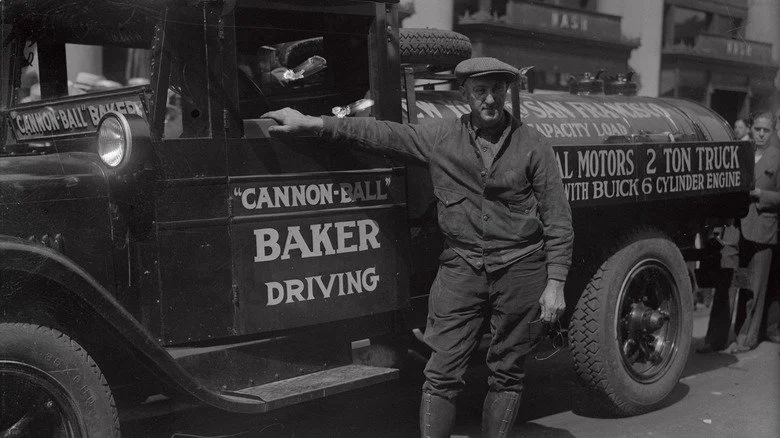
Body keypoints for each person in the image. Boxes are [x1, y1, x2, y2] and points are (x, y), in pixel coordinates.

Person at [262, 57, 573, 438]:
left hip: (520, 268)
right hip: (462, 267)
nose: (489, 99)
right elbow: (381, 133)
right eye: (480, 91)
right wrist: (314, 123)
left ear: (506, 92)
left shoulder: (533, 144)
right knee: (441, 371)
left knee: (507, 373)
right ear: (465, 94)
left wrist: (555, 283)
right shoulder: (441, 137)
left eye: (496, 89)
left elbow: (558, 218)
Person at [698, 111, 780, 354]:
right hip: (734, 229)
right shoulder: (739, 153)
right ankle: (716, 339)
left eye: (767, 130)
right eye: (758, 129)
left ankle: (746, 338)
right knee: (728, 283)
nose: (762, 134)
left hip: (762, 231)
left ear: (773, 131)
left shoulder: (777, 157)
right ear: (751, 128)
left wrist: (760, 195)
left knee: (753, 288)